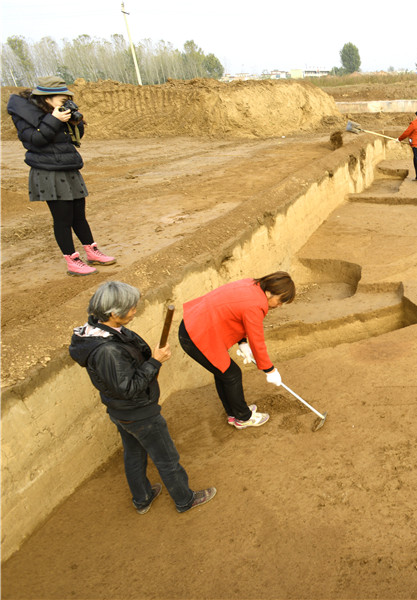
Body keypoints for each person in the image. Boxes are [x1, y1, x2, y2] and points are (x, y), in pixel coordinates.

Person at [69, 281, 216, 514]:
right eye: (131, 308)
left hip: (122, 412)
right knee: (167, 458)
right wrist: (155, 361)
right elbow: (128, 388)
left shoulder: (103, 331)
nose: (135, 311)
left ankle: (143, 497)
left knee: (134, 453)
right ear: (113, 313)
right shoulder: (107, 351)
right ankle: (185, 499)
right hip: (139, 413)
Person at [6, 76, 116, 277]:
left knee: (79, 216)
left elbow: (73, 140)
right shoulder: (27, 115)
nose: (65, 102)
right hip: (48, 172)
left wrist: (76, 121)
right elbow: (35, 140)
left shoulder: (56, 112)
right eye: (62, 99)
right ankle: (72, 260)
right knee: (63, 219)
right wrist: (53, 120)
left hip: (68, 167)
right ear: (47, 98)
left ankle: (92, 252)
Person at [178, 272, 296, 429]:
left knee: (224, 373)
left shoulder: (252, 285)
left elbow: (236, 312)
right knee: (231, 374)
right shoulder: (256, 305)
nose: (279, 305)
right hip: (195, 334)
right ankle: (243, 417)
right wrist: (270, 370)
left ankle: (234, 413)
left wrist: (242, 342)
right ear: (269, 293)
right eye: (280, 301)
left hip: (196, 324)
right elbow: (257, 341)